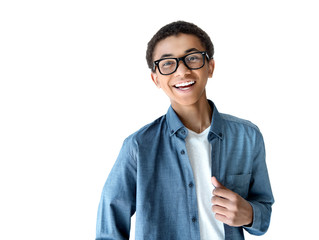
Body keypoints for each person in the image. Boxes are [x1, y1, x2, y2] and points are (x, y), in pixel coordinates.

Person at [96, 21, 274, 240]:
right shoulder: (138, 146)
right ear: (156, 79)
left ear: (210, 66)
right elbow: (109, 230)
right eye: (167, 63)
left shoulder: (247, 137)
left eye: (192, 58)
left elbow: (263, 210)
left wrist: (250, 214)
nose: (182, 70)